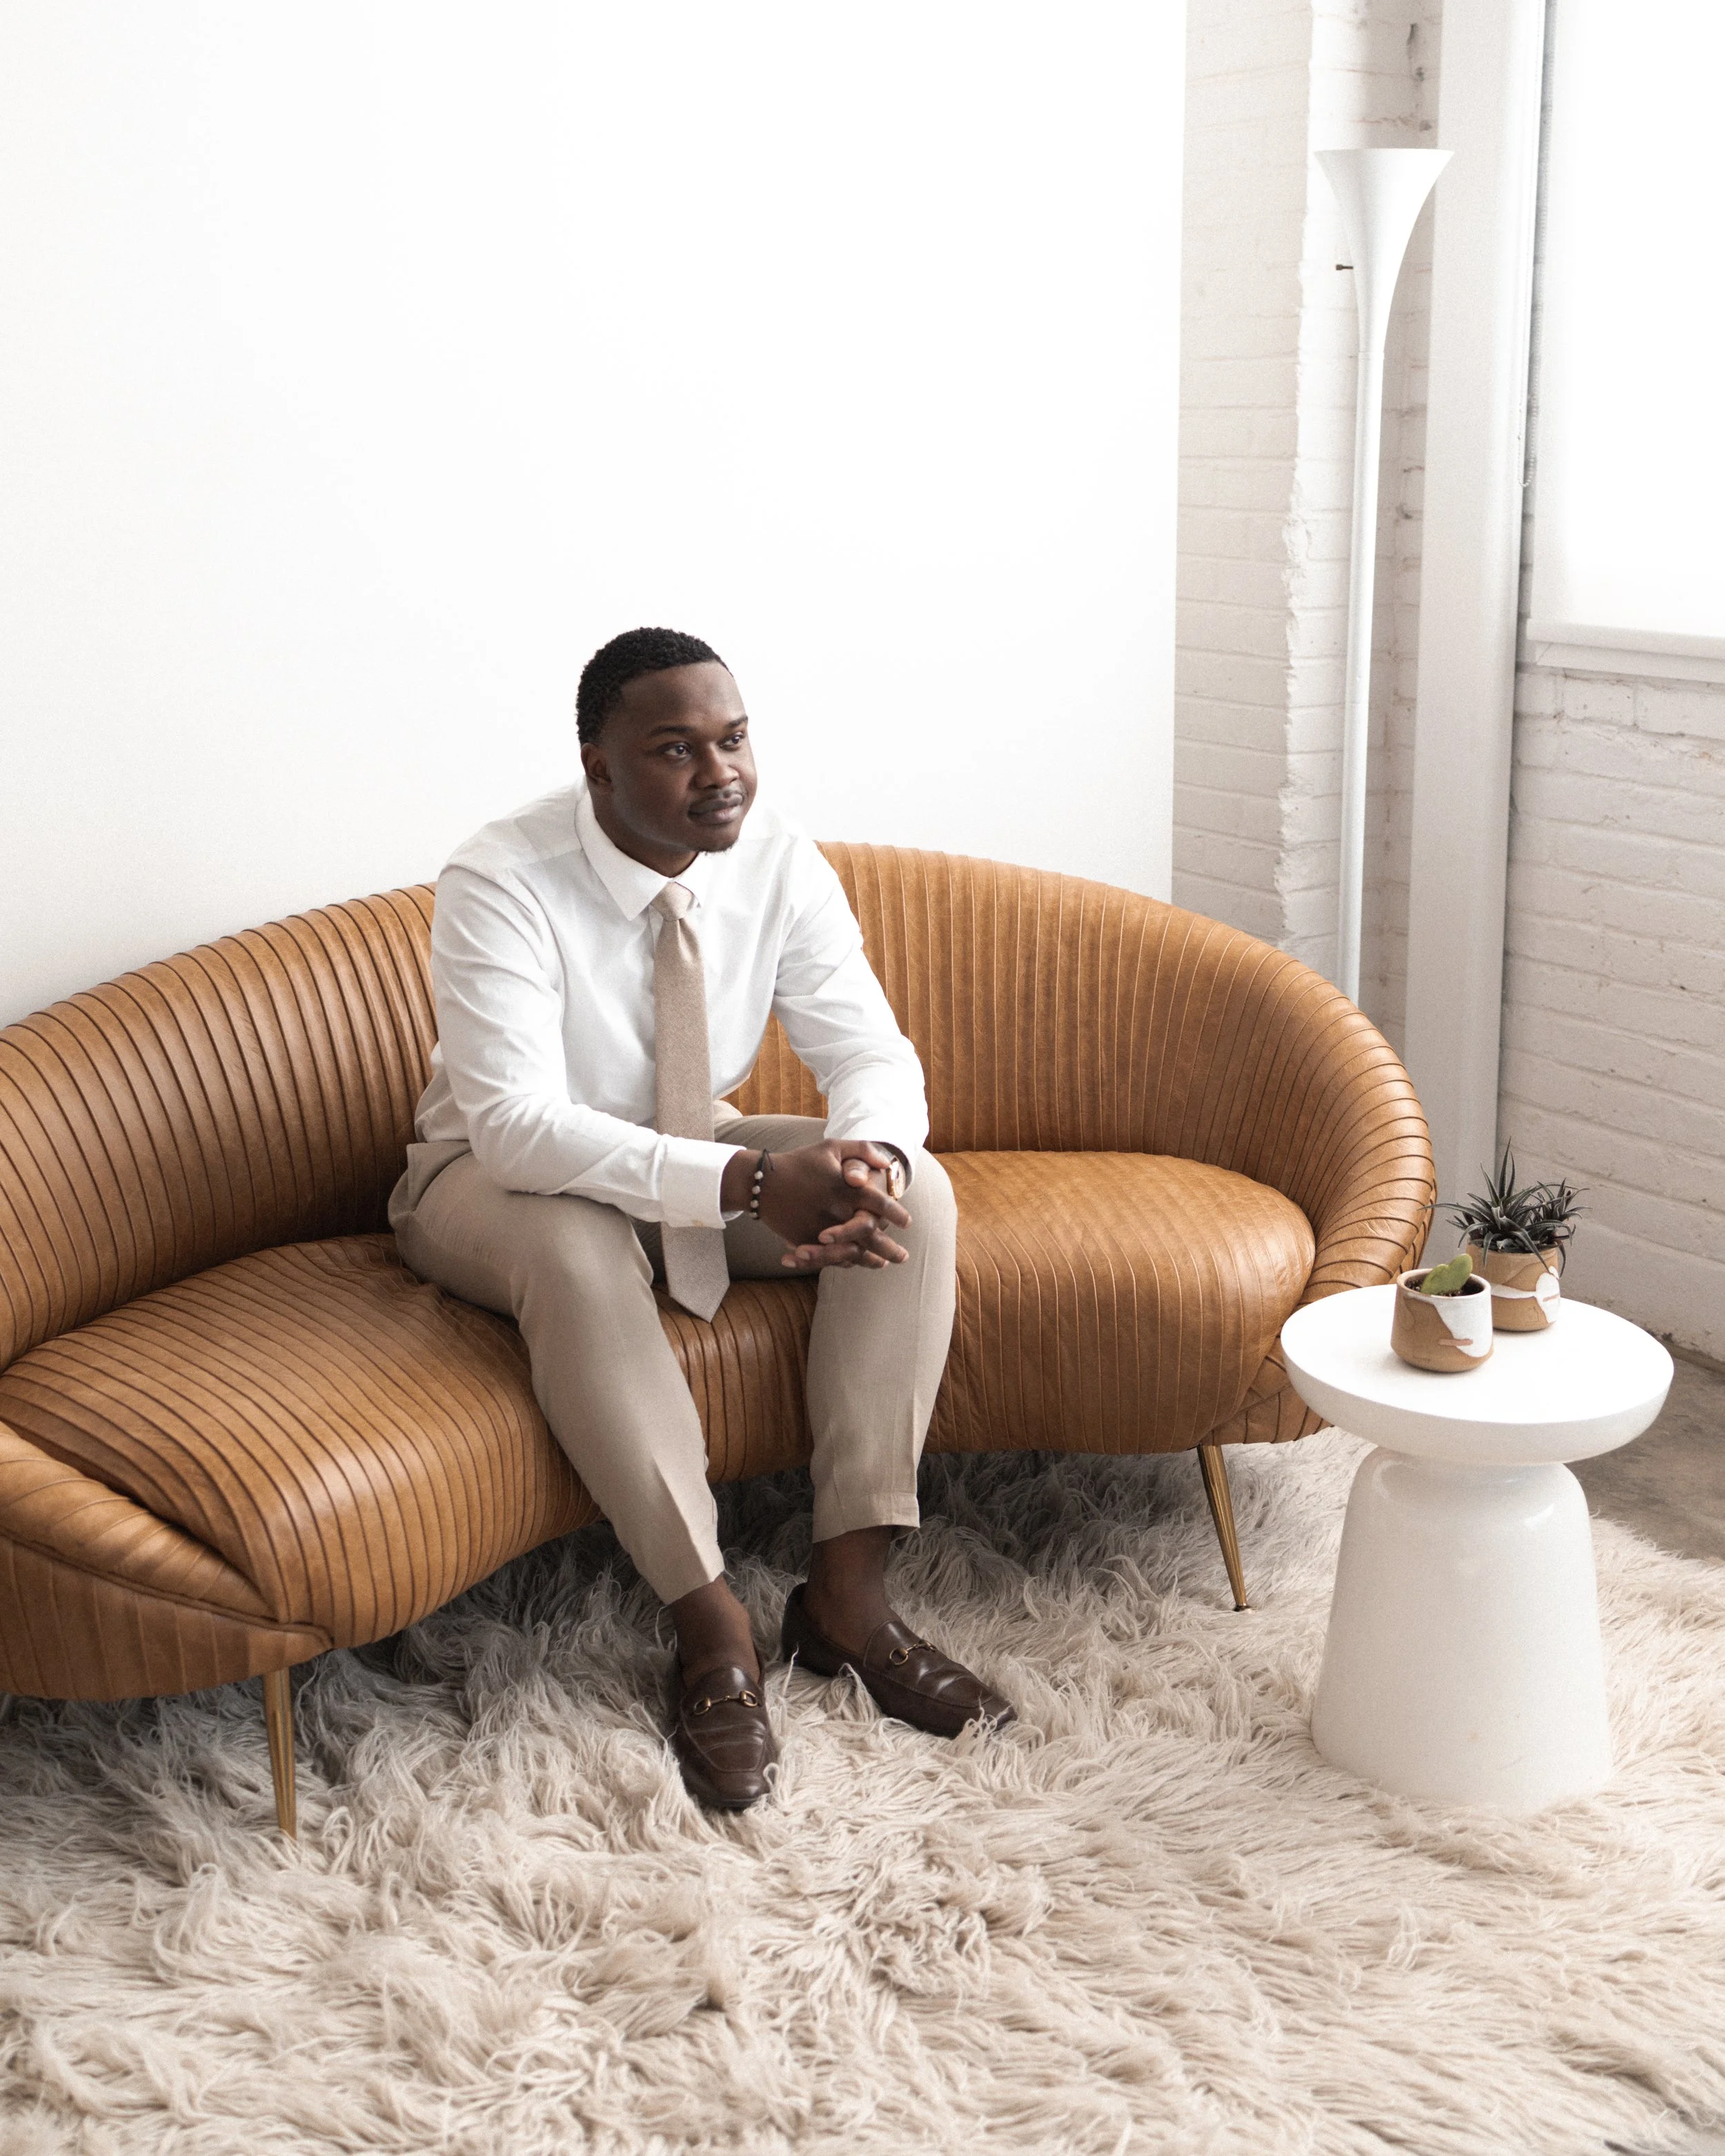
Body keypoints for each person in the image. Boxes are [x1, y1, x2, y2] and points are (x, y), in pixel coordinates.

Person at [390, 626, 1014, 1809]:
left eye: (732, 739)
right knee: (578, 1244)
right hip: (489, 1180)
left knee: (916, 1195)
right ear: (600, 767)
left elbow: (869, 1050)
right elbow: (519, 1125)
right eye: (676, 750)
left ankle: (848, 1599)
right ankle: (712, 1625)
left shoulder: (777, 859)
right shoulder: (501, 878)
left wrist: (865, 1161)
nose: (719, 773)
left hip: (686, 1147)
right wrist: (748, 1184)